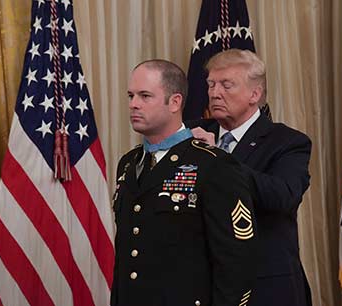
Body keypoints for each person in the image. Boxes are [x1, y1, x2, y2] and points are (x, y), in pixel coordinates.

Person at [110, 59, 258, 306]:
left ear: (175, 102)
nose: (134, 104)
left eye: (145, 96)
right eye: (131, 95)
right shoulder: (128, 163)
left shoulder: (213, 165)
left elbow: (237, 264)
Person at [189, 49, 313, 306]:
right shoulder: (191, 134)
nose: (214, 93)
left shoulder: (288, 142)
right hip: (201, 285)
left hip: (264, 287)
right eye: (211, 84)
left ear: (254, 94)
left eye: (226, 85)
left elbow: (283, 196)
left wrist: (217, 159)